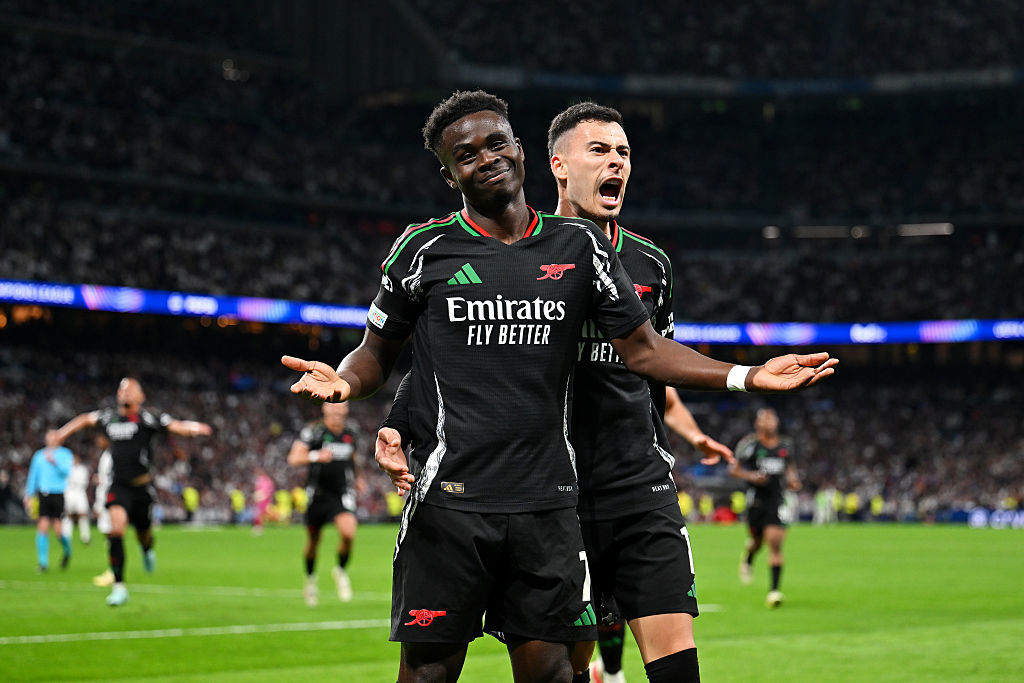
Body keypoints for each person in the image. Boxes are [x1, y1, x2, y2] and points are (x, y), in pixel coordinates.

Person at [284, 90, 836, 683]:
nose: (487, 158)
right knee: (444, 672)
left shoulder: (593, 252)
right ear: (451, 175)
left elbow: (647, 353)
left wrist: (746, 376)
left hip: (582, 500)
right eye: (466, 154)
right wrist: (358, 391)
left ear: (520, 151)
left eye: (497, 143)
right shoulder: (427, 250)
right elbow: (407, 353)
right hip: (479, 501)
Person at [379, 102, 736, 683]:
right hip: (554, 496)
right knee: (559, 668)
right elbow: (455, 357)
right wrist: (398, 422)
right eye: (599, 150)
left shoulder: (651, 264)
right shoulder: (523, 252)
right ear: (557, 165)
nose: (615, 162)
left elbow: (653, 363)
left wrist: (716, 407)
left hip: (634, 487)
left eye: (623, 152)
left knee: (675, 663)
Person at [53, 377, 212, 606]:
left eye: (131, 389)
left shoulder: (148, 418)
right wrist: (62, 433)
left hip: (142, 487)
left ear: (141, 396)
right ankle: (119, 587)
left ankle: (147, 549)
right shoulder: (109, 417)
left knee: (143, 535)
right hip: (118, 485)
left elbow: (176, 426)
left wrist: (195, 429)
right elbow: (85, 419)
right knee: (116, 530)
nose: (125, 392)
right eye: (122, 389)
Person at [287, 402, 361, 607]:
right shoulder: (313, 432)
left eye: (340, 405)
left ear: (346, 409)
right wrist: (315, 455)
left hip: (341, 493)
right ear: (324, 408)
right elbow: (293, 458)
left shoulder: (351, 432)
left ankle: (340, 571)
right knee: (313, 541)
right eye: (332, 406)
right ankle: (310, 579)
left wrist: (358, 478)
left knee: (348, 533)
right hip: (317, 495)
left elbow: (353, 458)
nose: (336, 410)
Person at [729, 408, 801, 608]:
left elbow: (791, 469)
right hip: (756, 501)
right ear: (757, 423)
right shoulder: (750, 444)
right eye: (765, 419)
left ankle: (774, 591)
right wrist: (752, 477)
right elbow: (734, 469)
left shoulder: (786, 446)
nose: (770, 422)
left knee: (775, 542)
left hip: (777, 501)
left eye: (772, 418)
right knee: (757, 542)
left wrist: (794, 481)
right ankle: (749, 556)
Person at [24, 431, 74, 572]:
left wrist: (55, 462)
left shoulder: (65, 454)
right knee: (43, 526)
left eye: (54, 438)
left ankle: (67, 550)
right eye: (49, 438)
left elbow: (67, 472)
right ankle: (43, 563)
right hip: (43, 493)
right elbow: (33, 475)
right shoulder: (39, 455)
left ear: (59, 439)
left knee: (58, 529)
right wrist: (29, 494)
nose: (51, 440)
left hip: (58, 493)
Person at [61, 451, 93, 545]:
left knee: (83, 514)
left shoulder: (82, 469)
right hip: (69, 493)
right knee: (68, 515)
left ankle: (85, 537)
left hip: (80, 493)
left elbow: (84, 482)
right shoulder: (66, 468)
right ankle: (66, 536)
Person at [252, 467, 275, 535]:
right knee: (258, 514)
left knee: (261, 514)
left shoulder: (266, 481)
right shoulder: (260, 479)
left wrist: (260, 497)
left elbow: (267, 492)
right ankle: (258, 526)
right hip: (260, 500)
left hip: (264, 500)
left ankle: (260, 527)